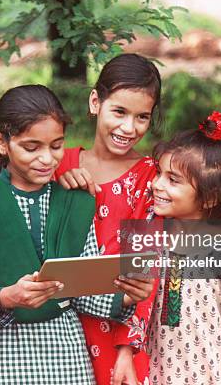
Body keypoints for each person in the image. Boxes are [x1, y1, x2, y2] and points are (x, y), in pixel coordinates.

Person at [0, 84, 154, 385]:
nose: (47, 159)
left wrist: (125, 297)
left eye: (56, 146)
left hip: (66, 349)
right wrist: (8, 296)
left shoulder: (74, 201)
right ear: (1, 142)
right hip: (1, 352)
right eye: (32, 147)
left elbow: (84, 287)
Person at [54, 53, 162, 385]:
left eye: (142, 117)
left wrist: (128, 349)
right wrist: (59, 190)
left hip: (117, 332)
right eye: (119, 112)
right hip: (57, 331)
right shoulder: (59, 164)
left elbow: (145, 269)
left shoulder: (148, 178)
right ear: (95, 102)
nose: (129, 128)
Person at [147, 112, 221, 385]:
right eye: (159, 173)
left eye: (173, 180)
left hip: (206, 376)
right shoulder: (150, 237)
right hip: (151, 374)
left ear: (209, 198)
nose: (156, 184)